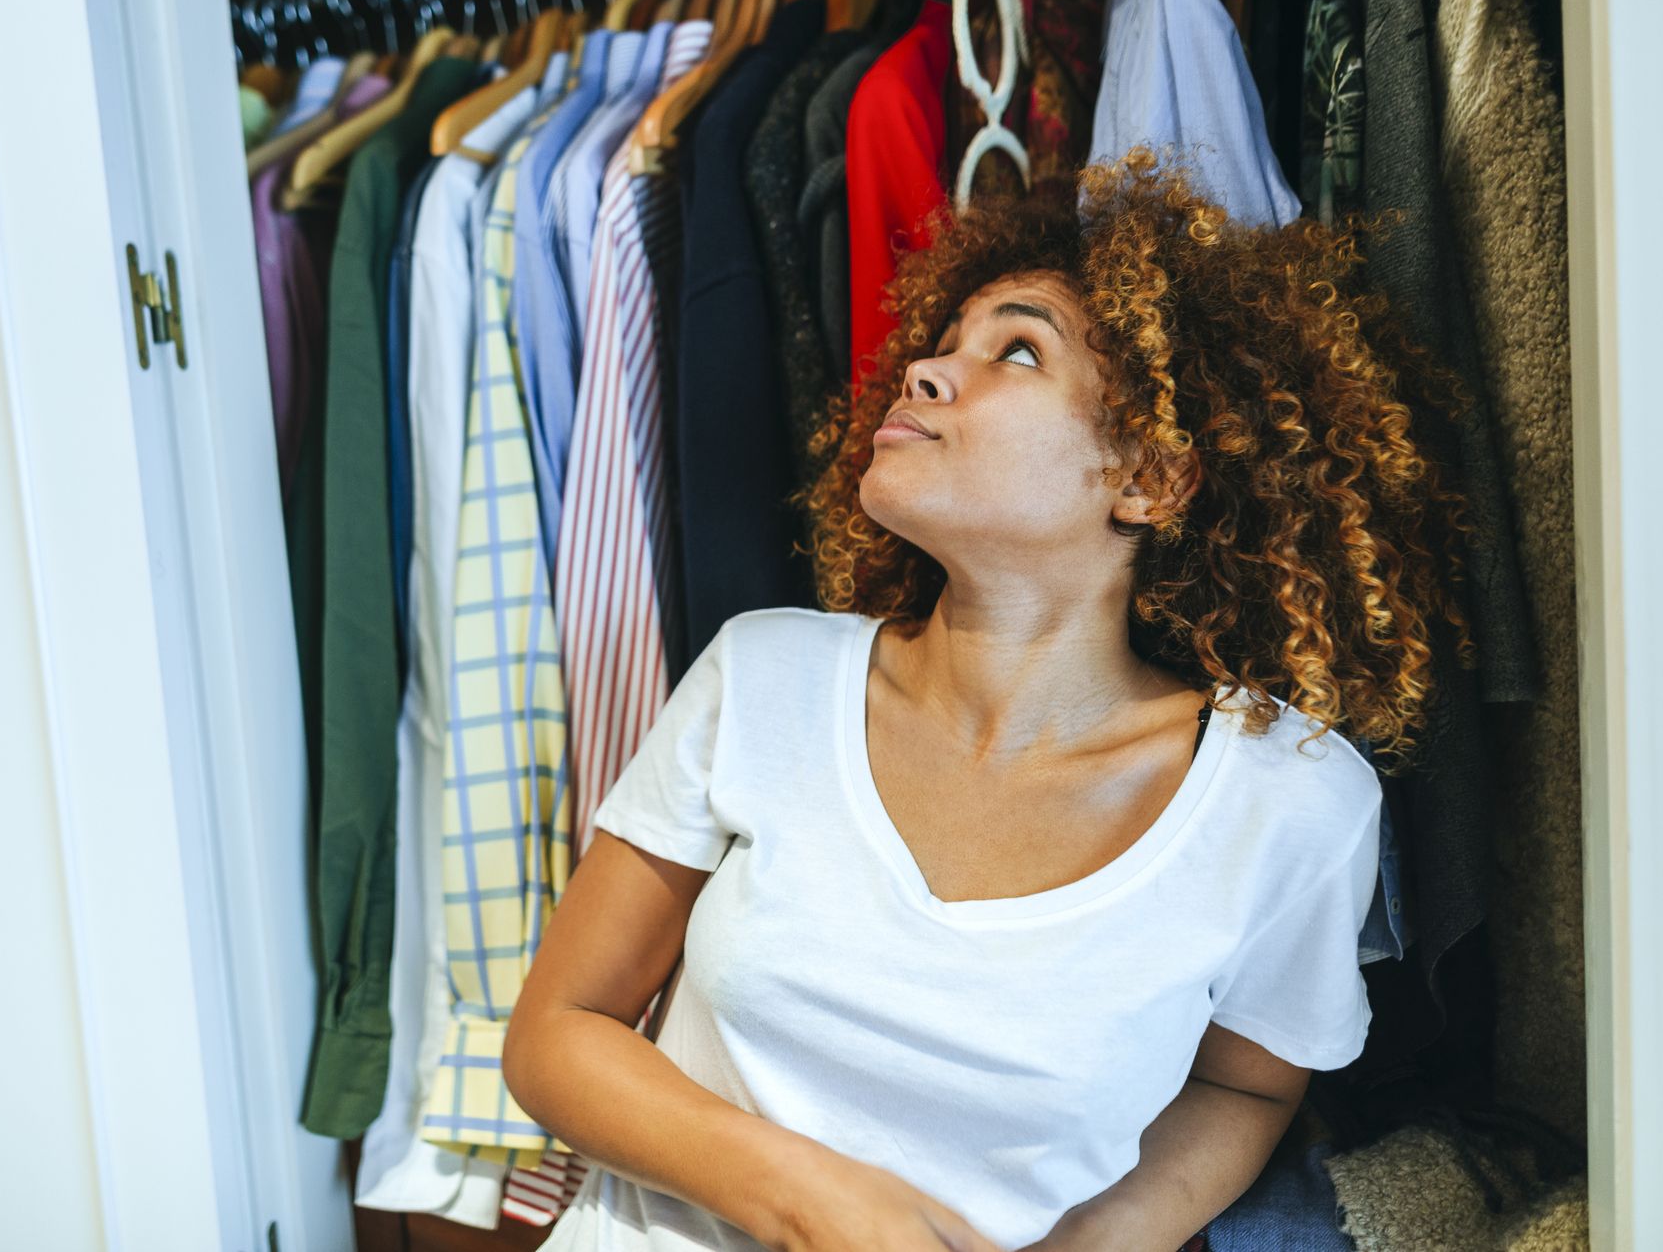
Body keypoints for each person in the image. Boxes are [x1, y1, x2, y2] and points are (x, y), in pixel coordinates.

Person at [503, 150, 1475, 1252]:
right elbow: (555, 1032)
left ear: (1149, 475)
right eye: (940, 341)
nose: (924, 370)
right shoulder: (760, 677)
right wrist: (815, 1199)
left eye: (1014, 349)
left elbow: (1246, 1090)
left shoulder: (1289, 801)